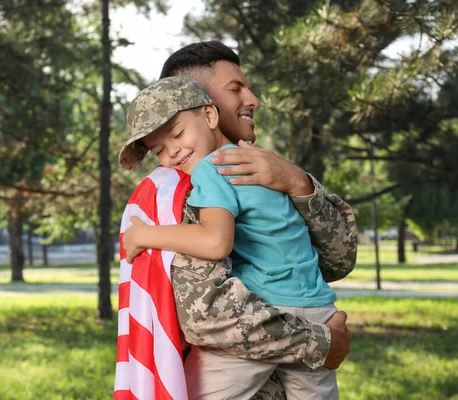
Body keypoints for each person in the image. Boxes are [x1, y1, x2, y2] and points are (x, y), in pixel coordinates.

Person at [120, 41, 356, 399]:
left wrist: (298, 183)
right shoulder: (178, 193)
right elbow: (209, 316)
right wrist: (319, 341)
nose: (253, 99)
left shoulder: (259, 168)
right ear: (207, 104)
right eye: (236, 88)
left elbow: (338, 260)